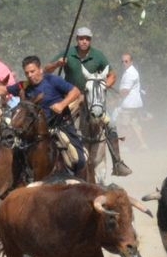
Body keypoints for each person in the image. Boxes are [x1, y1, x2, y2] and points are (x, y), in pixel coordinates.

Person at [0, 55, 87, 176]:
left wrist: (62, 105)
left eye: (32, 71)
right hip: (33, 131)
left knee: (78, 159)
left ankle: (78, 182)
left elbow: (75, 91)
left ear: (40, 69)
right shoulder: (24, 85)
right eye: (27, 73)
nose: (30, 75)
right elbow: (2, 90)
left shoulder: (52, 80)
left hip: (59, 126)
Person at [45, 26, 132, 176]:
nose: (84, 41)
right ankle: (51, 160)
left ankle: (117, 162)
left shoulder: (98, 56)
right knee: (55, 122)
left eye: (87, 39)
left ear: (90, 40)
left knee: (110, 125)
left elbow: (112, 75)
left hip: (94, 98)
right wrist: (57, 64)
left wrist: (103, 86)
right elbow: (46, 70)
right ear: (77, 39)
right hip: (72, 96)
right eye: (81, 38)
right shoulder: (68, 53)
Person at [117, 53, 148, 150]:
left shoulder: (130, 73)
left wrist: (116, 96)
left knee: (123, 125)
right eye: (123, 61)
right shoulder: (130, 72)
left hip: (129, 104)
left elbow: (125, 90)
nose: (124, 63)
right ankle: (143, 144)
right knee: (135, 125)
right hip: (133, 104)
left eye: (126, 61)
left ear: (131, 61)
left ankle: (122, 146)